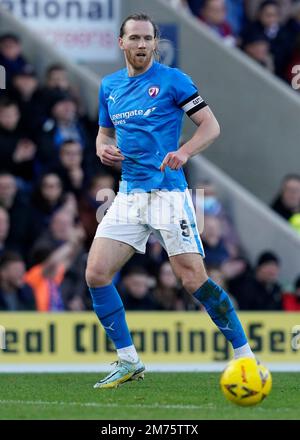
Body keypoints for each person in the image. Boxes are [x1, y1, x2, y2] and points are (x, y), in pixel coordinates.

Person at [85, 13, 255, 389]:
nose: (142, 45)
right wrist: (102, 150)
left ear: (155, 43)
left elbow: (211, 126)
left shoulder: (173, 80)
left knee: (193, 280)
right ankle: (128, 360)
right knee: (96, 273)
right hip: (128, 194)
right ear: (121, 42)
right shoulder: (109, 86)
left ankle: (246, 357)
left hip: (168, 193)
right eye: (135, 38)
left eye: (148, 39)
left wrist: (185, 152)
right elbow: (103, 133)